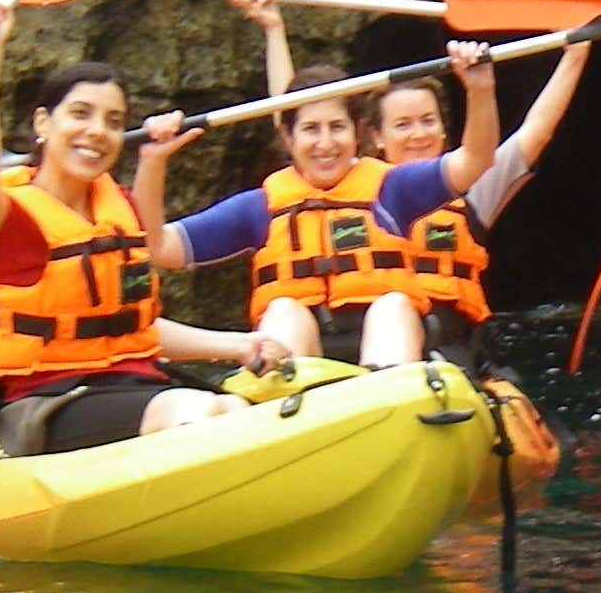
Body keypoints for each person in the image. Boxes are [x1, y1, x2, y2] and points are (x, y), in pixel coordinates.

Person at [0, 0, 283, 456]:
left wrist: (237, 344)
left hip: (130, 386)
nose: (97, 132)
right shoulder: (8, 220)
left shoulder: (117, 208)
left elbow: (134, 325)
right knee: (199, 412)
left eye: (113, 122)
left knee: (234, 410)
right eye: (80, 114)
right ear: (43, 124)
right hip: (44, 404)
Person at [223, 0, 592, 368]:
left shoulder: (470, 184)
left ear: (446, 131)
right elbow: (294, 116)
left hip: (441, 349)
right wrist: (273, 29)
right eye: (403, 125)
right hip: (356, 341)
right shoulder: (349, 184)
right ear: (375, 137)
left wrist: (576, 53)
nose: (418, 134)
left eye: (428, 122)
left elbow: (535, 133)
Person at [133, 19, 508, 368]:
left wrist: (480, 88)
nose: (325, 143)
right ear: (288, 138)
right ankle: (288, 404)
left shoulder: (393, 189)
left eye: (337, 127)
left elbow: (475, 158)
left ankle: (385, 399)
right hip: (307, 355)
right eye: (311, 129)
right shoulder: (260, 208)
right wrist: (152, 163)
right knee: (282, 308)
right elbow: (159, 247)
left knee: (392, 305)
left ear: (357, 132)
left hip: (388, 347)